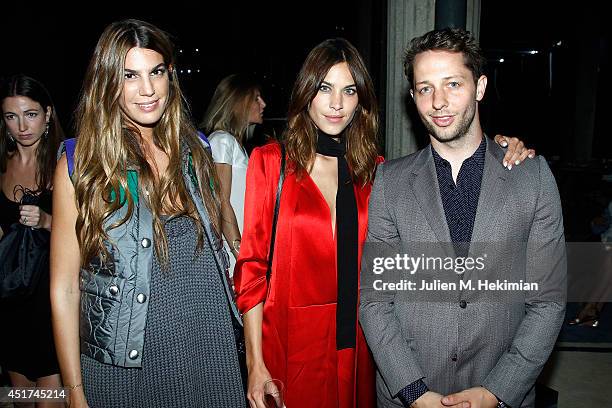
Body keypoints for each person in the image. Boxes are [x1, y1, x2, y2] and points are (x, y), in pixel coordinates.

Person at [234, 37, 533, 408]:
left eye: (349, 90)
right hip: (288, 342)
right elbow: (251, 270)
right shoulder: (271, 163)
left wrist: (502, 148)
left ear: (361, 99)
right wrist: (254, 363)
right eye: (325, 88)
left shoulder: (376, 172)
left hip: (362, 346)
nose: (337, 104)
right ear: (307, 92)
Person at [359, 28, 566, 408]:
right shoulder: (390, 181)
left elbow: (548, 302)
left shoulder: (532, 177)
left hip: (502, 391)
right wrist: (413, 391)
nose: (438, 101)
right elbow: (375, 299)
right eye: (425, 88)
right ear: (412, 96)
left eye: (453, 83)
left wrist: (498, 391)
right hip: (409, 395)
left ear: (480, 87)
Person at [50, 19, 245, 408]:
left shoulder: (197, 151)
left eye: (156, 72)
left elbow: (218, 246)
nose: (147, 89)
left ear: (170, 75)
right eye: (129, 75)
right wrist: (74, 394)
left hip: (209, 344)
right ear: (108, 82)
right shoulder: (81, 163)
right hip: (128, 362)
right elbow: (65, 288)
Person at [0, 74, 63, 402]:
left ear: (48, 114)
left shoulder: (66, 162)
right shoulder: (1, 166)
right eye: (12, 116)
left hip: (51, 298)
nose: (22, 125)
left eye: (31, 114)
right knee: (22, 396)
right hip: (11, 301)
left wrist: (48, 220)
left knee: (51, 398)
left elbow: (94, 233)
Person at [201, 74, 266, 277]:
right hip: (233, 252)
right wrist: (240, 253)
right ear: (238, 102)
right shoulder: (222, 140)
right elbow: (221, 201)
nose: (263, 104)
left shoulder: (237, 146)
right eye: (256, 98)